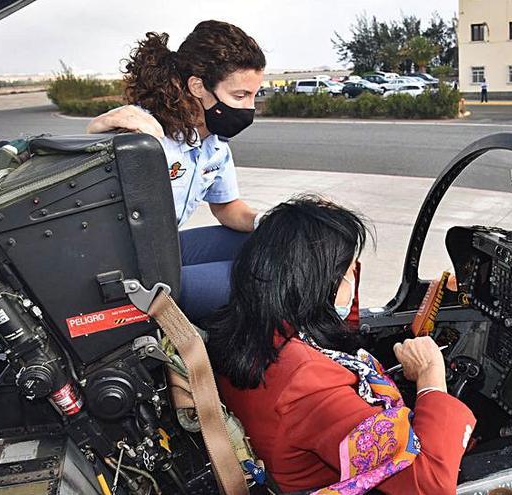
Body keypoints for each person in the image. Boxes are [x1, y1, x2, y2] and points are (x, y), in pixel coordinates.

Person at [206, 196, 476, 494]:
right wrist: (430, 380)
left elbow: (338, 328)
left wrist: (322, 230)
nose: (353, 280)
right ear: (319, 286)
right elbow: (430, 485)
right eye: (348, 274)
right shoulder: (309, 382)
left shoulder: (247, 323)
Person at [85, 21, 266, 321]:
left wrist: (267, 220)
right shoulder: (143, 131)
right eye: (239, 96)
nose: (250, 108)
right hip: (126, 270)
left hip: (164, 250)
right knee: (266, 279)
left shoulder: (215, 145)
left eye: (253, 96)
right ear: (198, 86)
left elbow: (226, 207)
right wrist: (94, 131)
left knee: (274, 245)